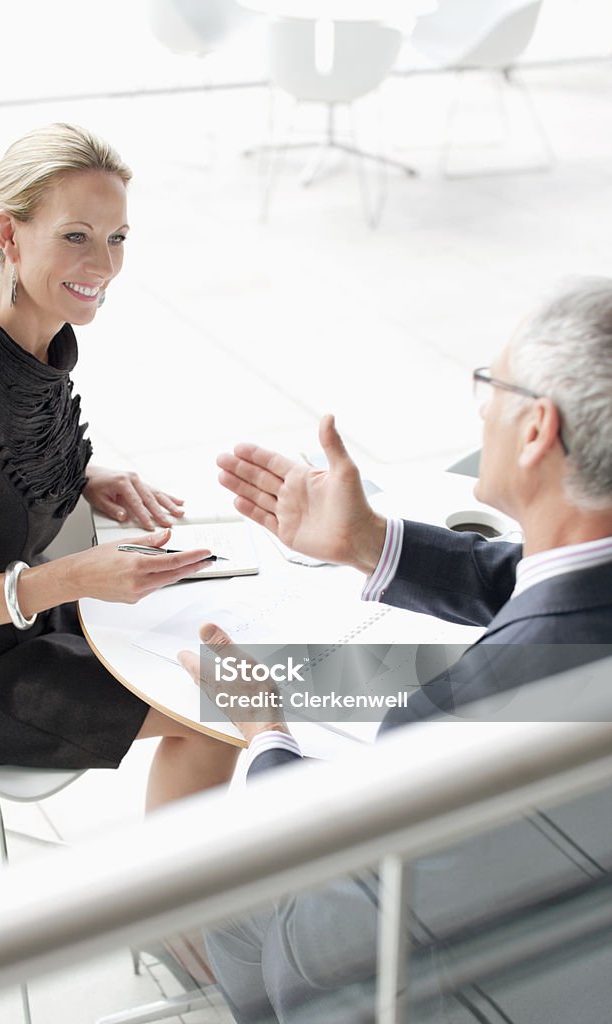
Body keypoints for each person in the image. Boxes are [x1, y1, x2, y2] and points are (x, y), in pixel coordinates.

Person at [179, 276, 612, 1021]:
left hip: (498, 971)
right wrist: (367, 541)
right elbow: (548, 582)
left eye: (492, 386)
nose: (482, 409)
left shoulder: (457, 715)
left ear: (538, 429)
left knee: (224, 876)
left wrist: (264, 732)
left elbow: (336, 922)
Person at [0, 123, 238, 811]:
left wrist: (84, 475)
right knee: (216, 711)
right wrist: (75, 577)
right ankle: (177, 917)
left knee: (230, 640)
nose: (103, 263)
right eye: (76, 235)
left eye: (117, 237)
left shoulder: (34, 330)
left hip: (26, 617)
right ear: (8, 235)